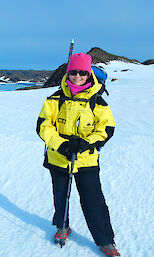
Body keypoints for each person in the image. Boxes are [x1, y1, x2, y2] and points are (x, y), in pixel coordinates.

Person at [36, 53, 120, 256]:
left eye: (82, 72)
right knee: (60, 195)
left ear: (89, 73)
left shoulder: (97, 101)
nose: (77, 76)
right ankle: (62, 227)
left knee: (93, 199)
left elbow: (106, 128)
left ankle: (105, 240)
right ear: (68, 72)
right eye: (73, 72)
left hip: (86, 159)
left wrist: (85, 143)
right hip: (59, 156)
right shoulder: (55, 99)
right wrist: (61, 144)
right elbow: (43, 125)